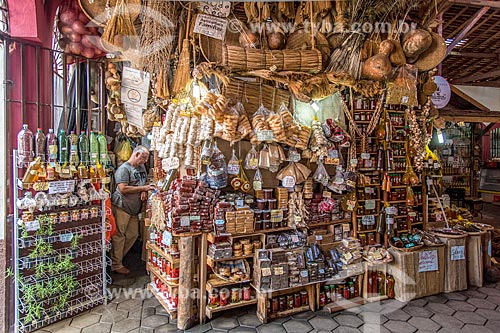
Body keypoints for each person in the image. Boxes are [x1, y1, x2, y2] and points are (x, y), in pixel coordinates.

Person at [111, 145, 152, 274]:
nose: (145, 161)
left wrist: (144, 189)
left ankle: (118, 258)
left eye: (146, 158)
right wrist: (143, 189)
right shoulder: (124, 169)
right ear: (136, 155)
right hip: (122, 206)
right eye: (143, 158)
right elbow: (123, 189)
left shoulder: (141, 167)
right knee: (119, 236)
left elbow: (143, 182)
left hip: (134, 208)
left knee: (133, 234)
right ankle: (116, 264)